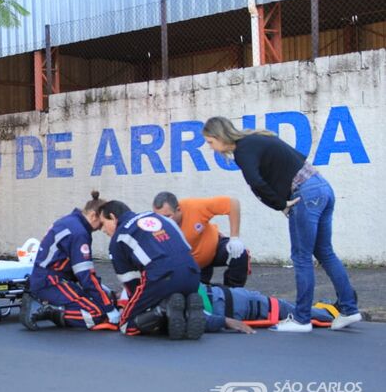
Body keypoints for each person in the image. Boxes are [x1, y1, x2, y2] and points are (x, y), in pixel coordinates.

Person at [201, 116, 361, 332]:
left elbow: (255, 182)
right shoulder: (256, 139)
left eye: (210, 142)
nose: (212, 148)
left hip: (305, 195)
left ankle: (302, 319)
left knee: (301, 257)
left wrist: (280, 204)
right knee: (325, 252)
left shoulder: (242, 150)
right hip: (322, 188)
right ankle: (350, 309)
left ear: (219, 136)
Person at [98, 200, 205, 340]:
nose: (103, 230)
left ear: (112, 217)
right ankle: (185, 310)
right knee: (172, 304)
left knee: (126, 325)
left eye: (103, 224)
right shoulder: (161, 218)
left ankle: (163, 309)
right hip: (193, 274)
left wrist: (135, 307)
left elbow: (132, 284)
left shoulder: (119, 239)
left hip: (162, 278)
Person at [20, 191, 120, 331]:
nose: (101, 228)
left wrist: (104, 292)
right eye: (101, 222)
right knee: (97, 313)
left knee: (99, 301)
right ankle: (47, 311)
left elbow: (78, 269)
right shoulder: (79, 233)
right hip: (51, 281)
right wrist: (109, 307)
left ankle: (49, 306)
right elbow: (85, 275)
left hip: (49, 278)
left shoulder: (70, 222)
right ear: (93, 215)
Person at [153, 192, 249, 287]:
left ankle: (234, 293)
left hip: (215, 247)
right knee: (196, 296)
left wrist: (234, 238)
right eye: (159, 218)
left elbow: (233, 203)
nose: (163, 222)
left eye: (167, 216)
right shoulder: (154, 226)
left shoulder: (194, 207)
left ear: (178, 210)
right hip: (192, 266)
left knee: (239, 253)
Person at [199, 283, 339, 334]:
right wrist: (226, 321)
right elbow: (202, 317)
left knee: (283, 306)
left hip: (228, 298)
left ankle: (325, 308)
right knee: (282, 309)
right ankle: (333, 313)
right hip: (233, 303)